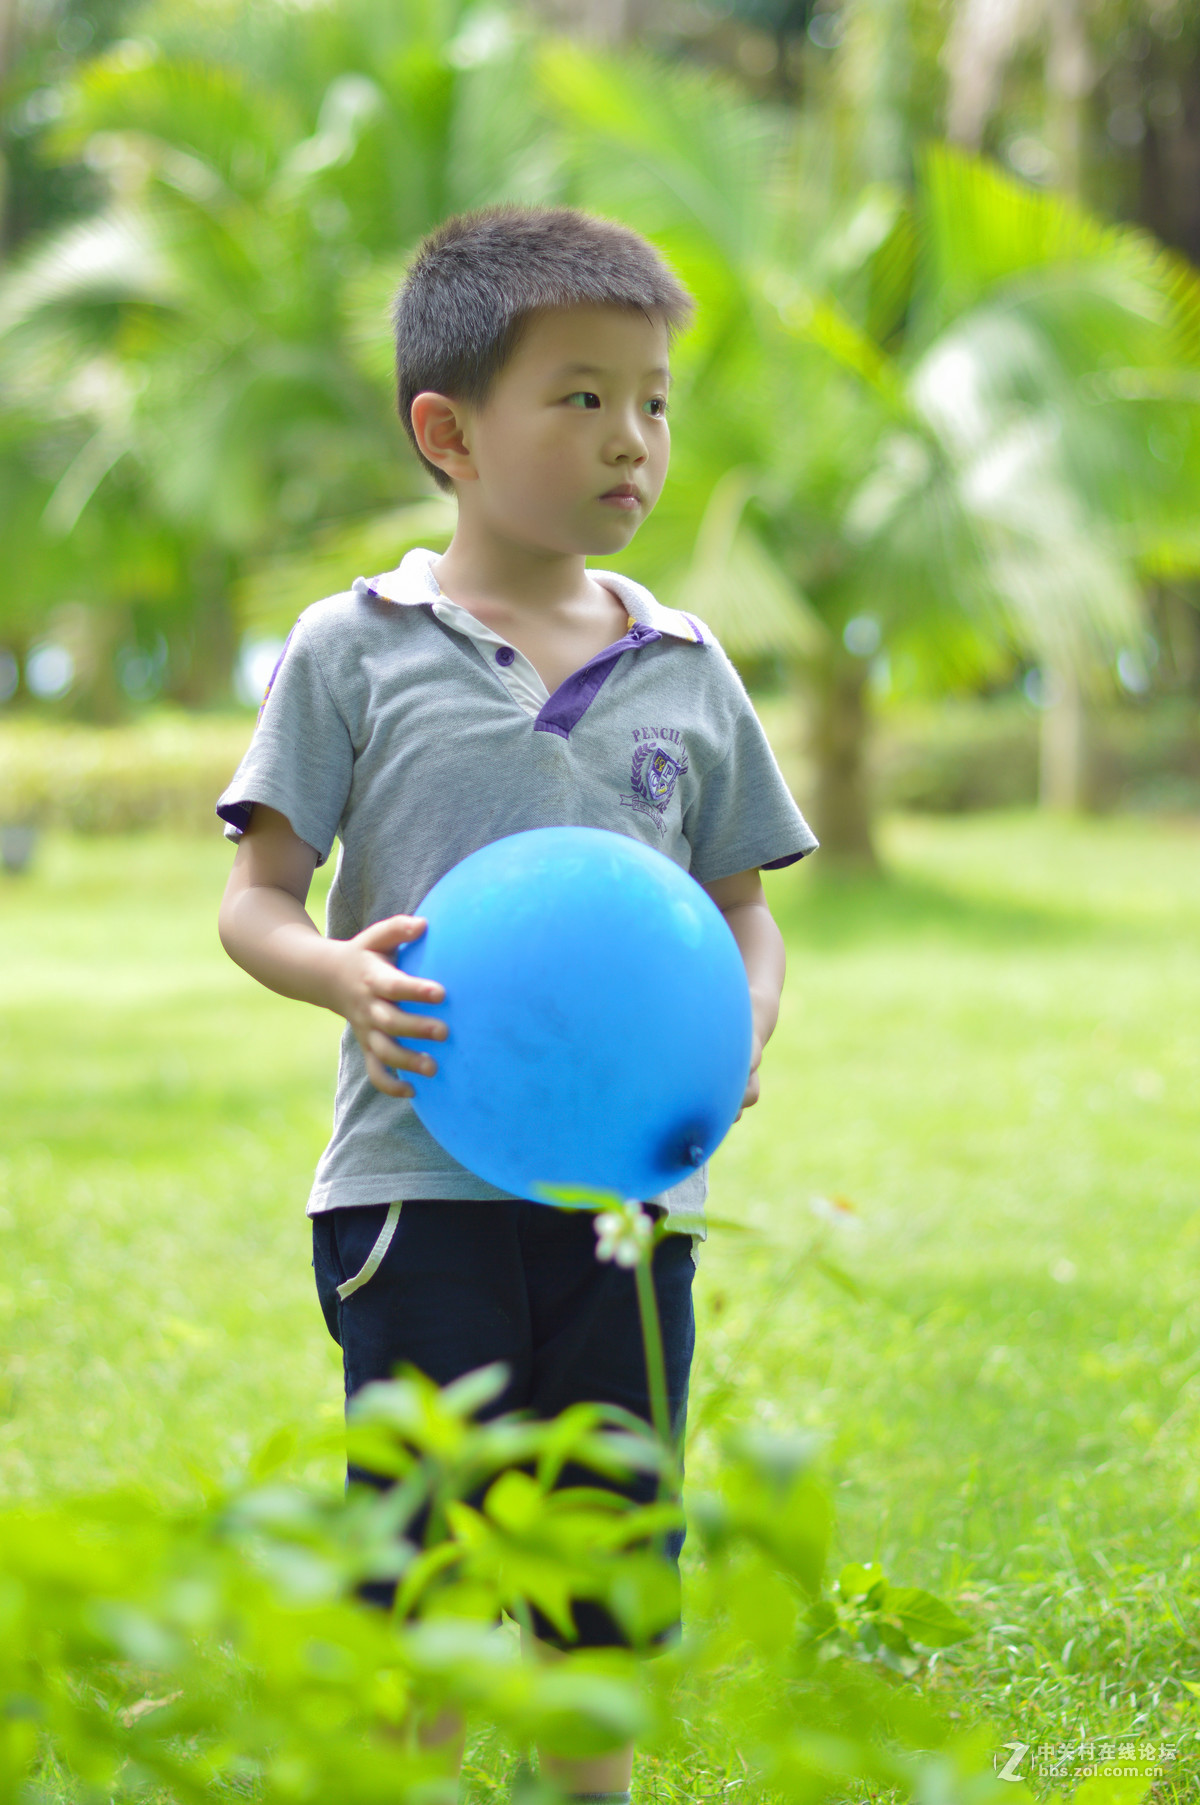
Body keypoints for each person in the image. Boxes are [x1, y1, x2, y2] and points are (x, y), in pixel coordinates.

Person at [216, 206, 817, 1801]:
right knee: (412, 1559)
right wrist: (340, 972)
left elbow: (744, 915)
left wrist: (745, 1018)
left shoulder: (691, 667)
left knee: (602, 1568)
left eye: (657, 399)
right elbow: (256, 901)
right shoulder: (353, 648)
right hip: (417, 1187)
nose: (635, 437)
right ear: (449, 431)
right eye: (582, 395)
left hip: (628, 1201)